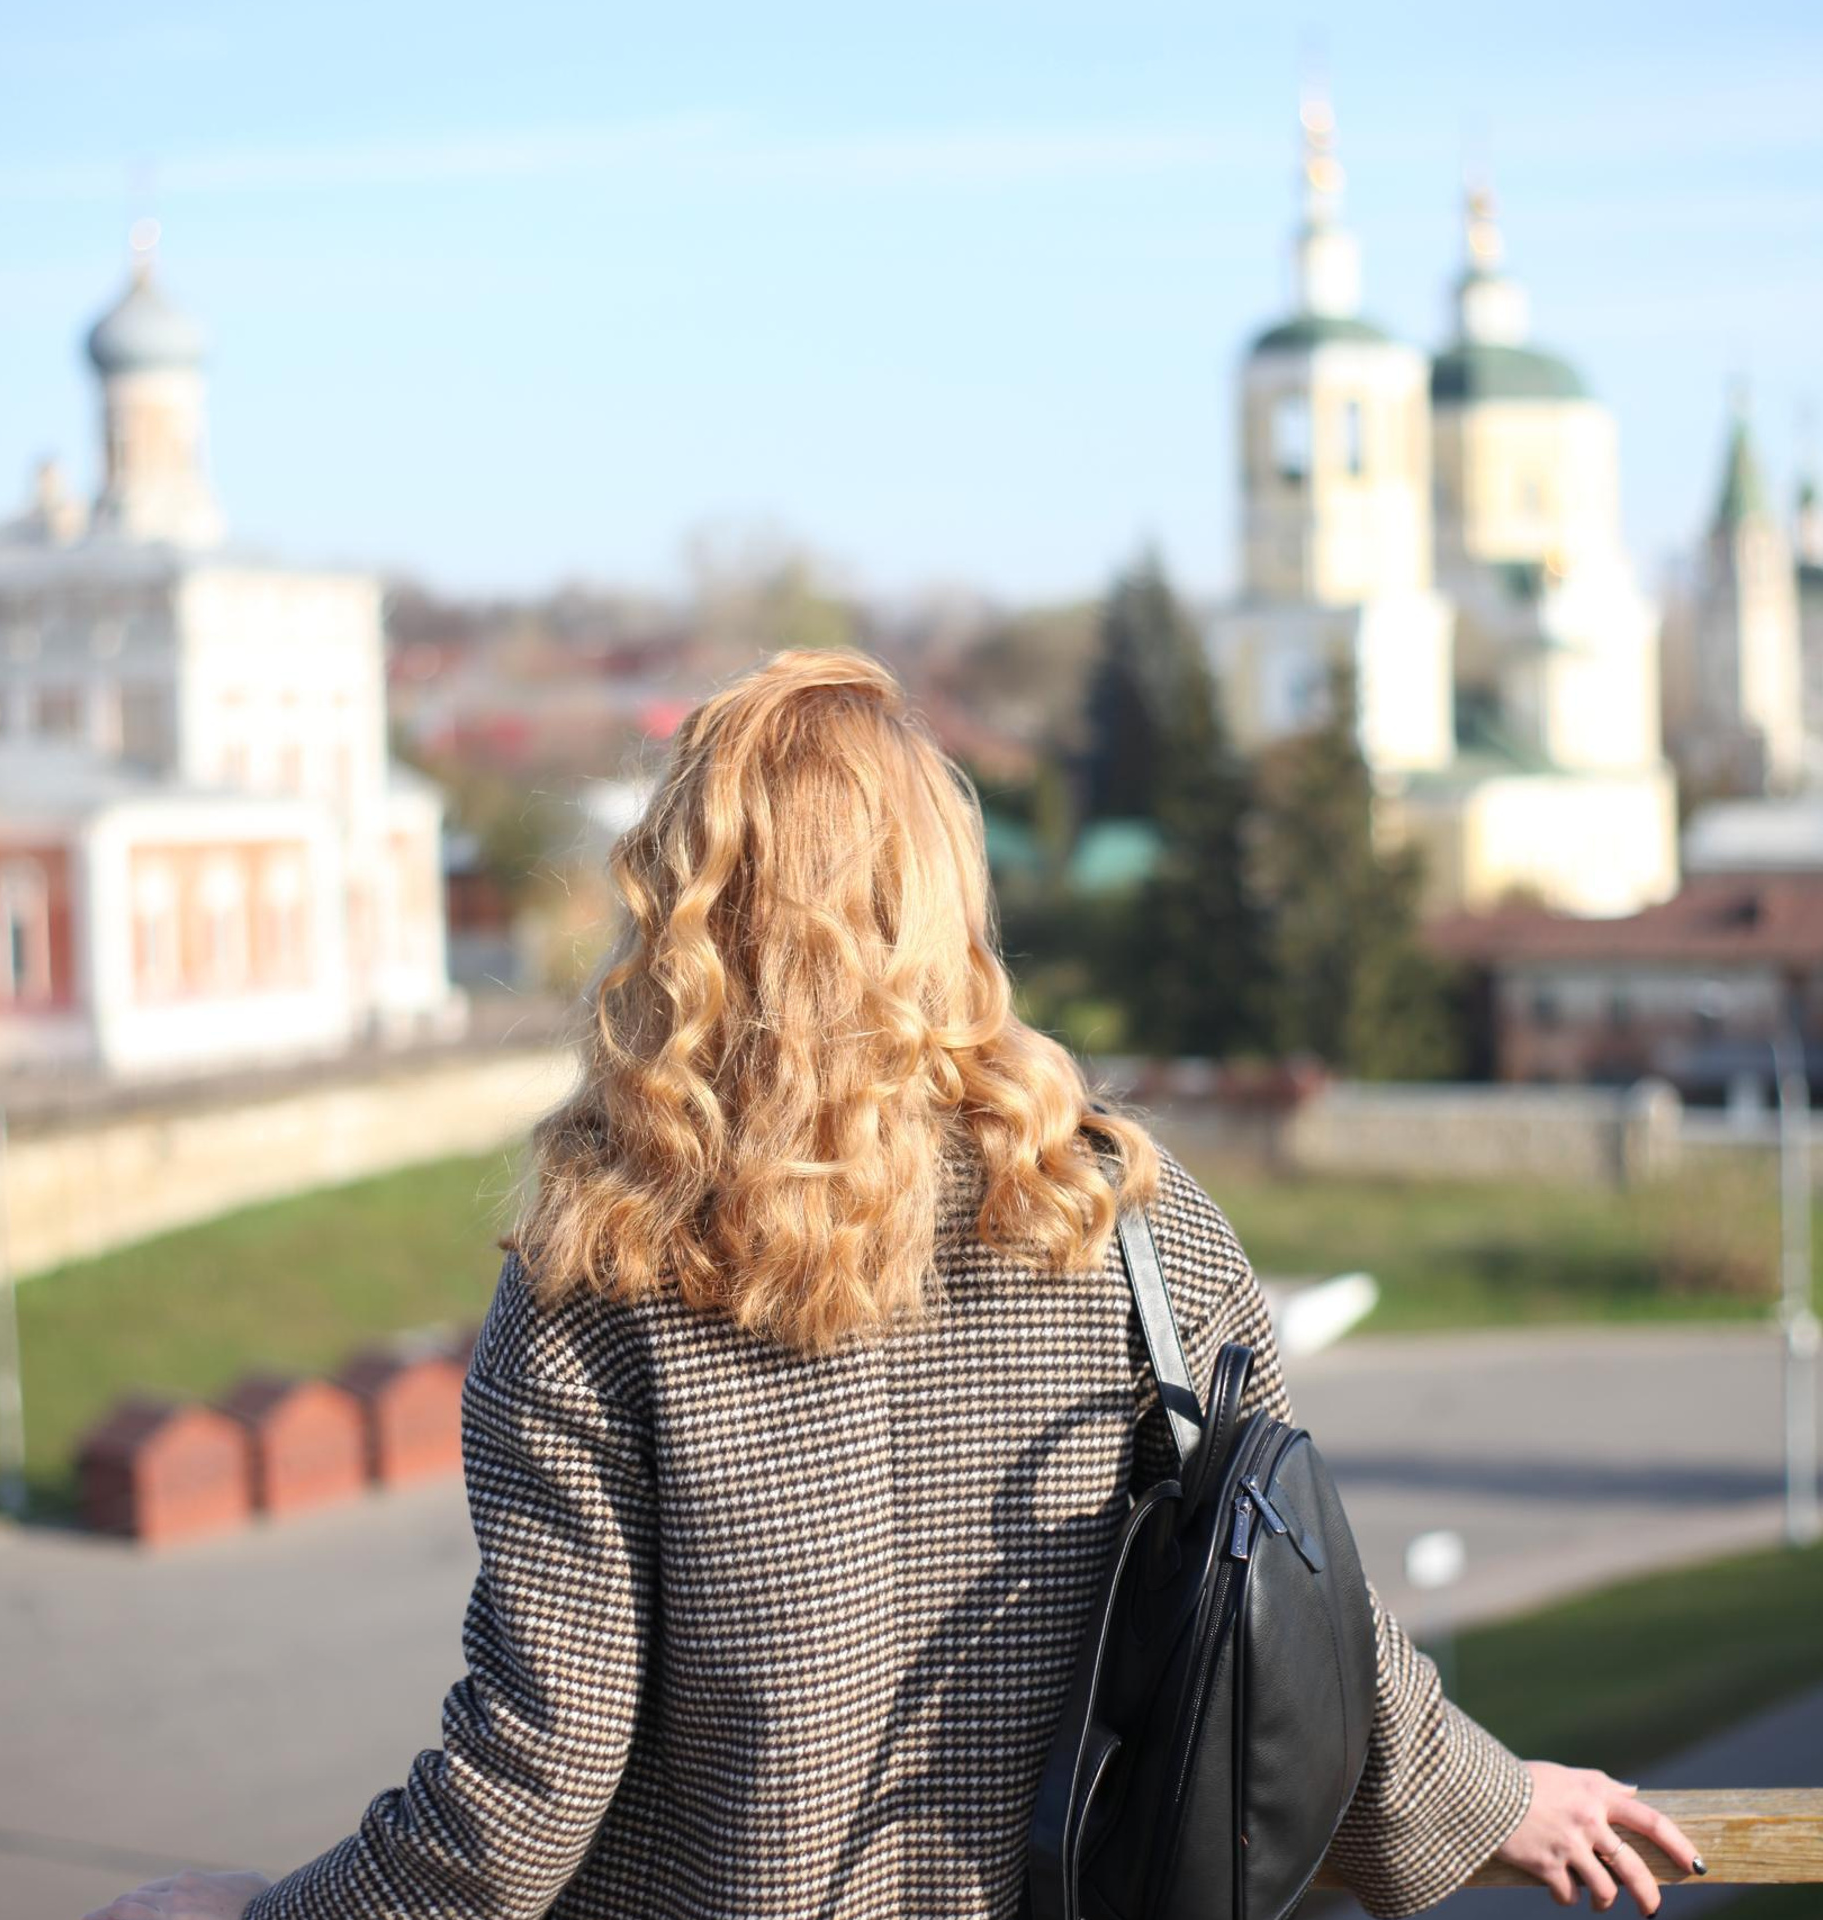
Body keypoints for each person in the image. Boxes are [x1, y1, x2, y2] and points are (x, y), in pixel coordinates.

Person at [86, 649, 1701, 1920]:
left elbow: (535, 1772)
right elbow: (1293, 1613)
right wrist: (1491, 1800)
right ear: (945, 905)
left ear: (678, 910)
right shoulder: (1127, 1216)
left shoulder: (600, 1284)